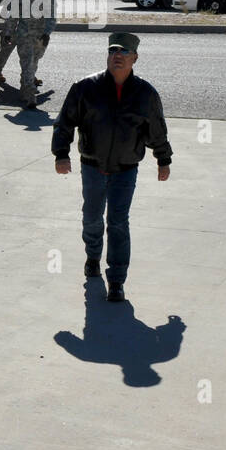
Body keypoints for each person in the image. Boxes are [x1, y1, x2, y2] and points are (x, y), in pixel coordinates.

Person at [52, 32, 172, 303]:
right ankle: (93, 257)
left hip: (126, 168)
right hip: (92, 166)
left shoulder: (145, 93)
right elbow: (65, 122)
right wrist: (61, 153)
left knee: (118, 222)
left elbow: (156, 129)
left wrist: (163, 159)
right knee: (92, 217)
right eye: (113, 50)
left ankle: (116, 280)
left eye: (123, 52)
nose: (117, 55)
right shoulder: (85, 87)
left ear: (135, 58)